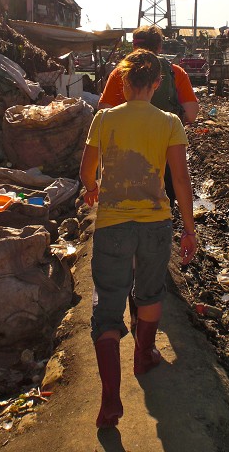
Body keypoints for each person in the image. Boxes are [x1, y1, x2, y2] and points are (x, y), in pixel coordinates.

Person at [80, 49, 196, 429]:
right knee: (149, 293)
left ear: (123, 82)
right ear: (157, 84)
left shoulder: (104, 118)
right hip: (155, 225)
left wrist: (92, 189)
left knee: (107, 307)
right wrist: (189, 229)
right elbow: (181, 180)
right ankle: (143, 357)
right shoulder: (170, 122)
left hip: (113, 225)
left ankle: (110, 401)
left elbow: (87, 170)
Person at [98, 24, 199, 205]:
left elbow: (104, 111)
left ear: (134, 46)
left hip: (126, 152)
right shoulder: (175, 72)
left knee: (125, 200)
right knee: (165, 200)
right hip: (165, 151)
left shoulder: (120, 73)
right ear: (159, 46)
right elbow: (191, 114)